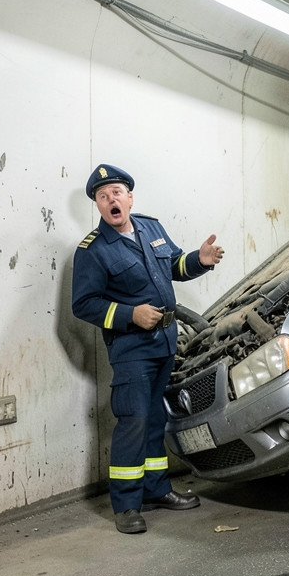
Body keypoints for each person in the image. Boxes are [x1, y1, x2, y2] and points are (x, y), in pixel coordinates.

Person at [71, 164, 225, 534]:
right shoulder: (93, 250)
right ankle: (126, 505)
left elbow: (173, 264)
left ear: (129, 198)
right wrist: (130, 314)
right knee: (134, 420)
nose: (111, 200)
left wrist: (199, 260)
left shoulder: (150, 227)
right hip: (132, 348)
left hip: (165, 341)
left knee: (156, 418)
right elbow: (84, 304)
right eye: (103, 196)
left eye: (116, 193)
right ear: (98, 205)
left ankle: (157, 489)